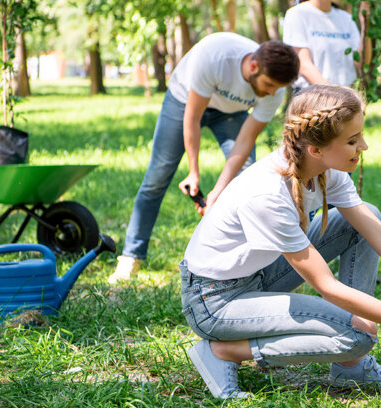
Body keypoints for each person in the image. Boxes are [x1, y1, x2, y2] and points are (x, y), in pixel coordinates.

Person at [179, 85, 381, 399]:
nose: (364, 146)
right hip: (215, 301)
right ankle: (225, 350)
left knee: (367, 217)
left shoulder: (326, 170)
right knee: (360, 332)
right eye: (353, 140)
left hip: (257, 276)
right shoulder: (269, 195)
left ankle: (350, 366)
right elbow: (326, 286)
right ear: (315, 149)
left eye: (361, 135)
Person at [108, 33, 300, 284]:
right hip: (184, 101)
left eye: (277, 88)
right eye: (269, 85)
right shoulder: (215, 56)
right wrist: (193, 172)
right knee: (157, 176)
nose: (272, 93)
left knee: (246, 178)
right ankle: (130, 257)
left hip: (231, 113)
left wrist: (218, 191)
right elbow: (192, 118)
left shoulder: (274, 89)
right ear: (253, 67)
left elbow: (244, 143)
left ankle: (240, 264)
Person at [282, 0, 370, 89]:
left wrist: (366, 24)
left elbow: (361, 62)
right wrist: (335, 96)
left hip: (347, 98)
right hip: (312, 97)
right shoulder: (297, 14)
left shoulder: (346, 18)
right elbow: (304, 65)